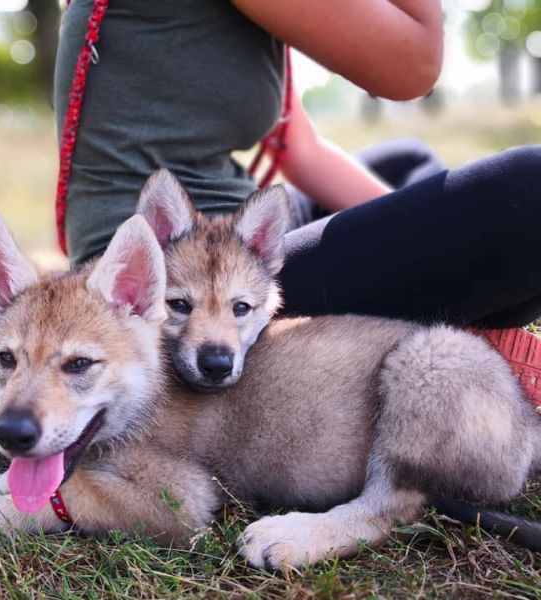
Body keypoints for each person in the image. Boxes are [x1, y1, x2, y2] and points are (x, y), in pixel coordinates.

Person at [53, 0, 541, 401]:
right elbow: (414, 65)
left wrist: (431, 256)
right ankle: (450, 345)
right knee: (530, 190)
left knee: (405, 161)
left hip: (233, 241)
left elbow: (300, 150)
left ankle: (444, 322)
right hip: (165, 276)